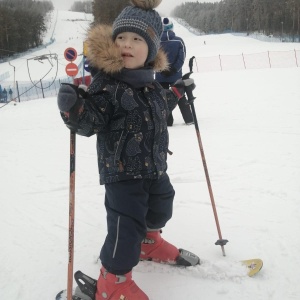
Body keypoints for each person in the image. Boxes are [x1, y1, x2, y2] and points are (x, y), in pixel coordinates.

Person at [57, 1, 198, 299]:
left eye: (136, 39)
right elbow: (89, 121)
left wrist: (178, 91)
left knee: (163, 203)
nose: (127, 45)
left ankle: (150, 243)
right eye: (121, 38)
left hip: (155, 166)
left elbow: (159, 109)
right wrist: (75, 109)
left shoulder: (150, 84)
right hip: (122, 173)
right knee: (126, 227)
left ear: (151, 49)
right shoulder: (106, 86)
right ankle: (113, 281)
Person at [156, 17, 194, 126]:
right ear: (172, 28)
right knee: (180, 96)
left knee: (162, 98)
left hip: (160, 76)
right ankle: (189, 119)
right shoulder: (178, 41)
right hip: (175, 75)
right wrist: (173, 70)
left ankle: (167, 121)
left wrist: (161, 69)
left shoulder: (156, 42)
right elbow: (181, 58)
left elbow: (152, 58)